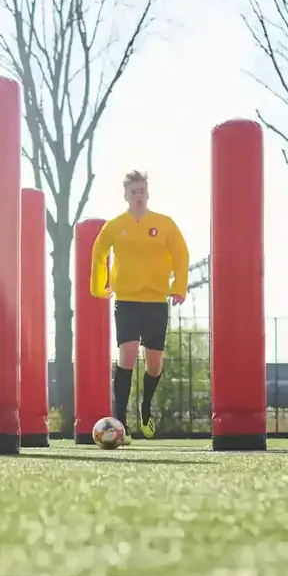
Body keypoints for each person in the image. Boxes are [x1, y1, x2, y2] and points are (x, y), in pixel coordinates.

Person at [90, 170, 190, 438]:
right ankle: (120, 422)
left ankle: (146, 408)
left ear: (148, 194)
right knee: (128, 355)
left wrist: (179, 287)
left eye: (142, 191)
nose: (138, 196)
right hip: (126, 301)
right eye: (134, 191)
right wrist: (98, 285)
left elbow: (181, 254)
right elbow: (99, 251)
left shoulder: (165, 224)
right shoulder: (114, 225)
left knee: (154, 365)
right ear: (126, 195)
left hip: (156, 301)